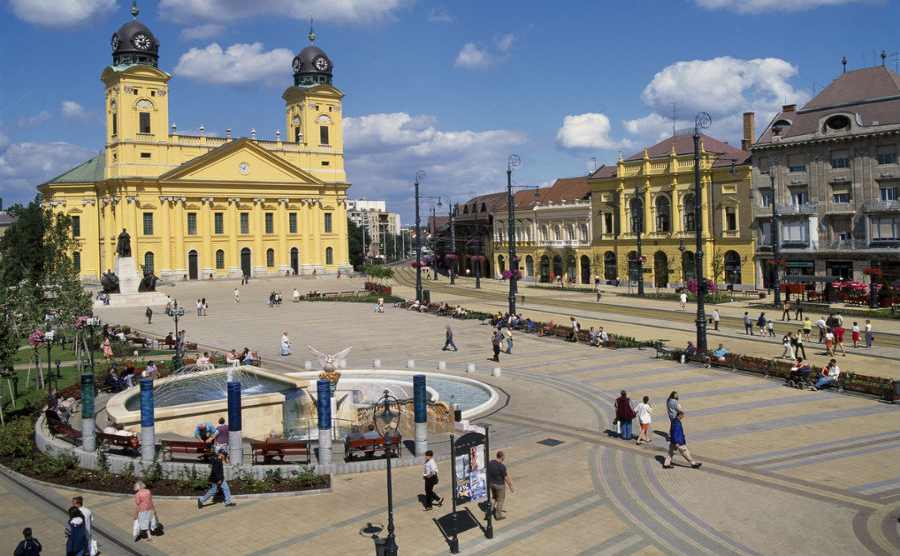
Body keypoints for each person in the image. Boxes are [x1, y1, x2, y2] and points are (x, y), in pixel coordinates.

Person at [487, 451, 514, 519]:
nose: (504, 457)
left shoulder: (491, 462)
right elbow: (506, 478)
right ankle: (498, 515)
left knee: (494, 498)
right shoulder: (502, 466)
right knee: (500, 500)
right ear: (502, 457)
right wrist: (510, 486)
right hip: (499, 485)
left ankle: (488, 513)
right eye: (504, 456)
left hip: (492, 484)